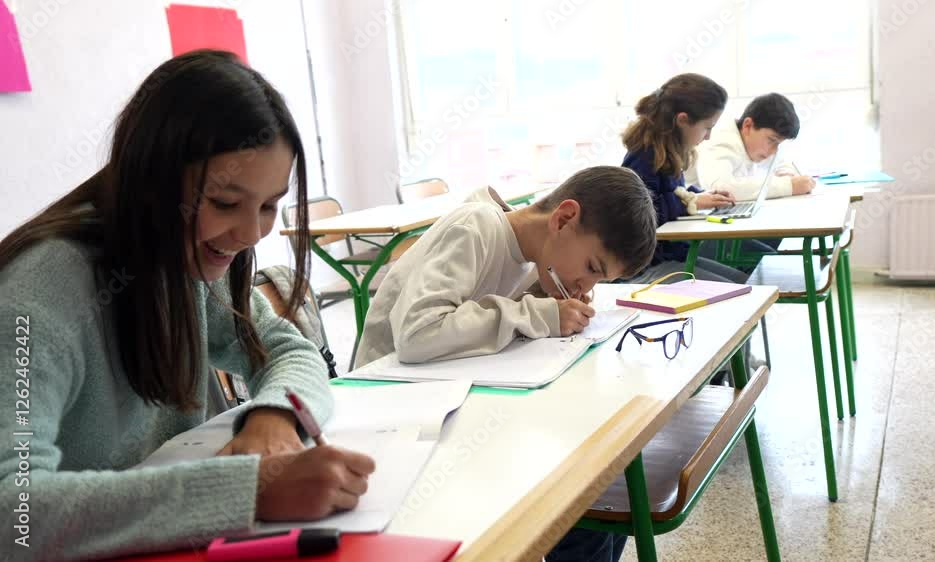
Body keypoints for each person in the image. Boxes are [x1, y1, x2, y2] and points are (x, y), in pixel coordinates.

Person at [0, 50, 374, 561]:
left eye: (268, 205)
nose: (248, 234)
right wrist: (250, 490)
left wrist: (274, 416)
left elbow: (290, 349)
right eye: (224, 203)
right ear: (153, 180)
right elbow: (11, 512)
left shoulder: (183, 258)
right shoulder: (33, 303)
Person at [355, 166, 659, 562]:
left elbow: (482, 312)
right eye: (592, 268)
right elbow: (418, 335)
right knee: (576, 507)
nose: (587, 287)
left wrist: (544, 298)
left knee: (603, 485)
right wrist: (539, 314)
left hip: (451, 401)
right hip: (394, 418)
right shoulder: (477, 225)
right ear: (564, 218)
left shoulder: (531, 255)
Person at [620, 73, 753, 284]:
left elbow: (671, 193)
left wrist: (698, 196)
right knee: (736, 289)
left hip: (670, 255)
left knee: (744, 281)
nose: (708, 136)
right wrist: (691, 202)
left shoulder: (667, 150)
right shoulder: (644, 154)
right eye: (707, 127)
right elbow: (641, 215)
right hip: (644, 268)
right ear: (682, 120)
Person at [689, 92, 815, 202]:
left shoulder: (756, 143)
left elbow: (780, 162)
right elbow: (720, 190)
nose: (773, 151)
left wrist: (788, 174)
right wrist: (788, 186)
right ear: (747, 126)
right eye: (772, 140)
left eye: (779, 144)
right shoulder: (720, 141)